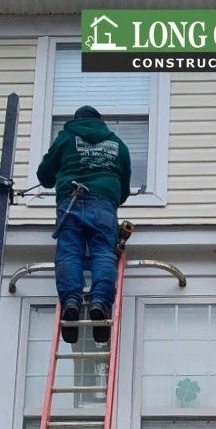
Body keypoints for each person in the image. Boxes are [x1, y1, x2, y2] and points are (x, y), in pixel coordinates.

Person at [36, 105, 131, 345]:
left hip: (71, 202)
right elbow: (124, 191)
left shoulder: (66, 138)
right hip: (103, 206)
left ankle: (71, 302)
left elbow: (44, 176)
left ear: (76, 120)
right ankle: (100, 303)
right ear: (100, 121)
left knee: (69, 252)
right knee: (103, 253)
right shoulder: (118, 144)